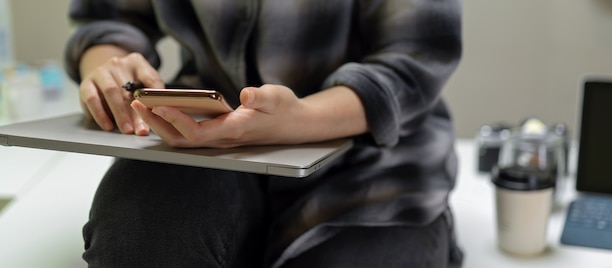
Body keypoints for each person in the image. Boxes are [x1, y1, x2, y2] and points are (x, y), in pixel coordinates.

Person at [64, 0, 463, 267]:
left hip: (373, 154)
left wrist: (302, 118)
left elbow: (417, 55)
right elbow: (110, 16)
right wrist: (110, 69)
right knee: (138, 246)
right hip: (201, 141)